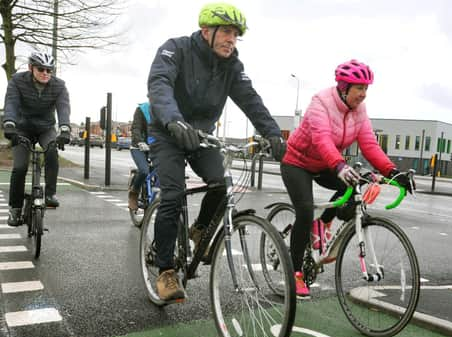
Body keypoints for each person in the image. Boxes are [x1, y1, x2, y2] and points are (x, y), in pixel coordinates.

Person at [147, 2, 286, 301]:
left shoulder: (232, 67)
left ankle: (198, 229)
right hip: (168, 131)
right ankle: (166, 270)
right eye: (226, 32)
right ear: (206, 31)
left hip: (202, 137)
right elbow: (159, 85)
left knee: (223, 184)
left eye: (236, 35)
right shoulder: (176, 49)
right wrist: (172, 120)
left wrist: (273, 133)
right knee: (172, 194)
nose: (231, 40)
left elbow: (251, 101)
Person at [280, 59, 414, 299]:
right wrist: (340, 165)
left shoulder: (359, 111)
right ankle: (296, 273)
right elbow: (322, 139)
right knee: (304, 210)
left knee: (356, 186)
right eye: (359, 88)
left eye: (366, 89)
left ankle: (323, 224)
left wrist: (393, 172)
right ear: (344, 87)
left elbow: (369, 145)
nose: (363, 95)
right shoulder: (320, 103)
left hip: (325, 163)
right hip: (297, 162)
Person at [2, 52, 70, 226]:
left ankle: (50, 194)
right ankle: (15, 209)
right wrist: (9, 124)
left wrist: (64, 129)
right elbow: (11, 103)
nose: (45, 73)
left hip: (45, 127)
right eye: (41, 69)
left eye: (49, 70)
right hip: (22, 128)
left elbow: (63, 107)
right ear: (31, 68)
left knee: (52, 151)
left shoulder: (59, 86)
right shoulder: (17, 81)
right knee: (20, 167)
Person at [128, 102, 153, 210]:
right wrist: (139, 141)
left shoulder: (165, 110)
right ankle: (134, 192)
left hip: (155, 147)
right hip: (139, 147)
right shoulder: (142, 109)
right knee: (144, 170)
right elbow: (136, 128)